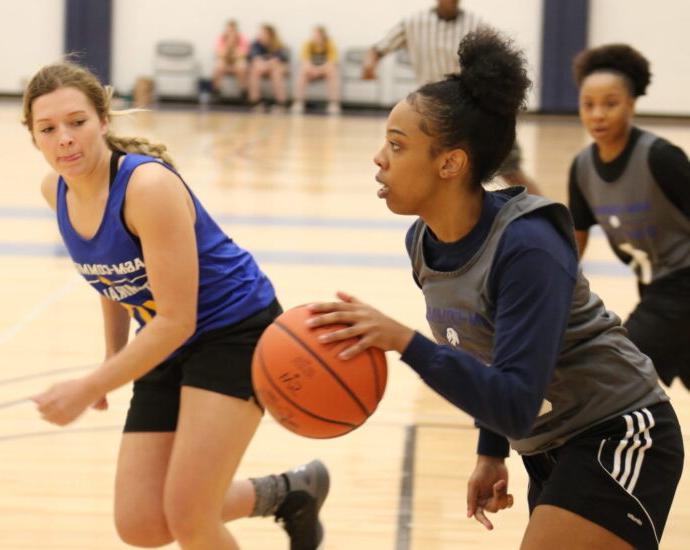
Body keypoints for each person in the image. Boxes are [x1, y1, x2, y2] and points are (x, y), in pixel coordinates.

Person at [307, 29, 683, 549]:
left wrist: (403, 341)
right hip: (549, 445)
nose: (379, 158)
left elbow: (514, 403)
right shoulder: (423, 241)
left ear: (451, 162)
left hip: (617, 432)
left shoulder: (527, 246)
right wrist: (492, 450)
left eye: (396, 145)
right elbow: (487, 357)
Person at [22, 61, 329, 550]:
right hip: (168, 338)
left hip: (236, 331)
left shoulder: (147, 187)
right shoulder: (54, 191)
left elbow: (177, 320)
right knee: (141, 523)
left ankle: (263, 497)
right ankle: (287, 493)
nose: (64, 138)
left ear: (103, 120)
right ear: (33, 136)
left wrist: (90, 385)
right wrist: (111, 359)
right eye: (48, 128)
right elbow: (110, 279)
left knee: (190, 518)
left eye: (76, 122)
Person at [568, 43, 690, 391]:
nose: (598, 114)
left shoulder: (661, 157)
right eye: (588, 104)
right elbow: (575, 241)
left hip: (682, 284)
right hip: (653, 287)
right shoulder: (582, 168)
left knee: (621, 368)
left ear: (632, 104)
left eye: (610, 103)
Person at [362, 0, 541, 195]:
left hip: (474, 110)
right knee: (433, 174)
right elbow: (378, 48)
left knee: (510, 171)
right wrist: (369, 64)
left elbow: (499, 61)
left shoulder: (475, 23)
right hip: (433, 114)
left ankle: (549, 218)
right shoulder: (413, 23)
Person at [291, 25, 341, 115]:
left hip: (324, 71)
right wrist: (313, 70)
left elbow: (332, 62)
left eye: (317, 35)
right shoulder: (307, 44)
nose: (315, 37)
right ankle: (299, 102)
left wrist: (319, 70)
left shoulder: (329, 44)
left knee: (333, 71)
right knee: (302, 72)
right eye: (314, 35)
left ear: (323, 36)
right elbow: (305, 61)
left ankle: (333, 103)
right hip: (310, 71)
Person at [247, 24, 290, 113]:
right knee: (255, 70)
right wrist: (265, 64)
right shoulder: (255, 45)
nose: (259, 34)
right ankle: (256, 103)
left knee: (276, 71)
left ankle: (281, 104)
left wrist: (268, 64)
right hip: (261, 68)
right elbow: (255, 59)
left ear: (269, 34)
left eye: (262, 33)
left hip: (276, 69)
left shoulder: (279, 45)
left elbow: (280, 60)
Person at [212, 20, 250, 96]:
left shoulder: (241, 38)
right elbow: (219, 53)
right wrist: (228, 46)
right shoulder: (222, 38)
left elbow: (243, 54)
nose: (230, 32)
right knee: (219, 66)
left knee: (241, 66)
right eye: (229, 30)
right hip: (225, 62)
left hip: (237, 62)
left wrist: (234, 51)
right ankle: (216, 90)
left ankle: (243, 90)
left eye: (232, 30)